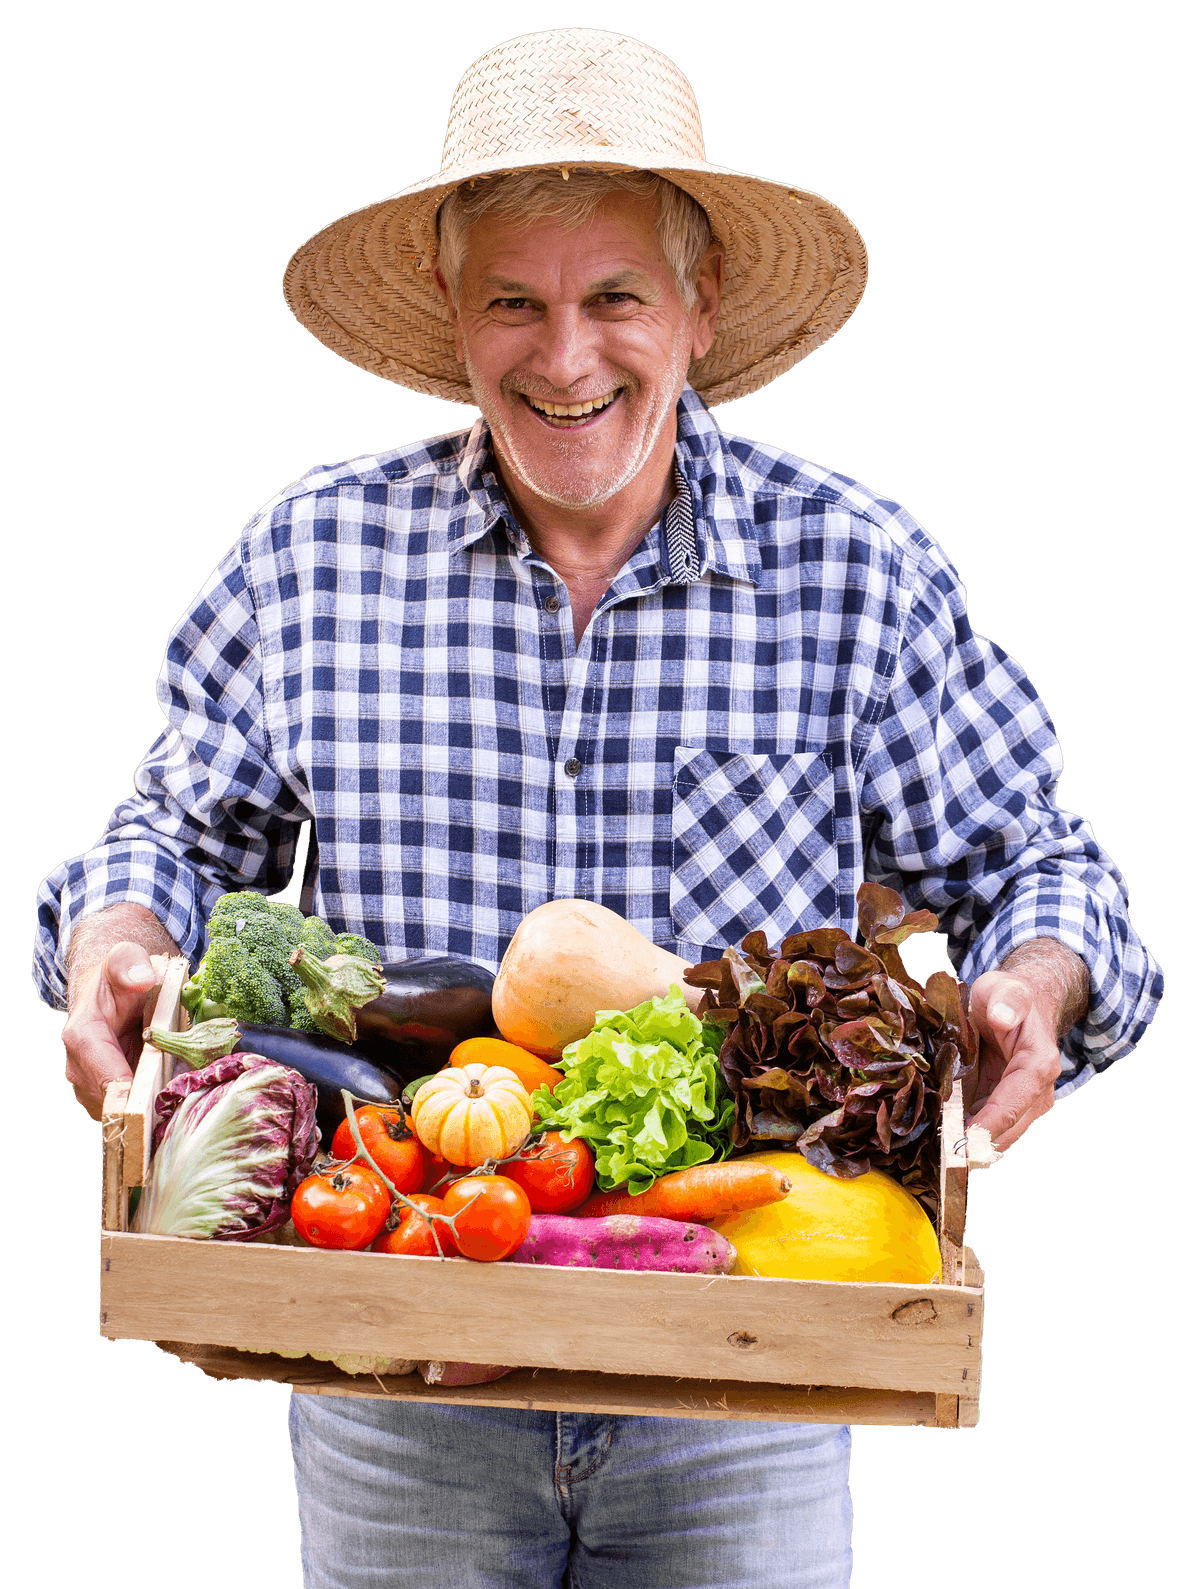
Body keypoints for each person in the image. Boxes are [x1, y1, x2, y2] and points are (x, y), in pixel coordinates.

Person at [35, 27, 1161, 1589]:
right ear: (454, 313)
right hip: (396, 1350)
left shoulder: (854, 568)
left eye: (614, 296)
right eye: (517, 300)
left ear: (699, 308)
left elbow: (1040, 859)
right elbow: (167, 830)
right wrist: (117, 936)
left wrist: (1038, 986)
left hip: (750, 1358)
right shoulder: (310, 557)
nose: (566, 358)